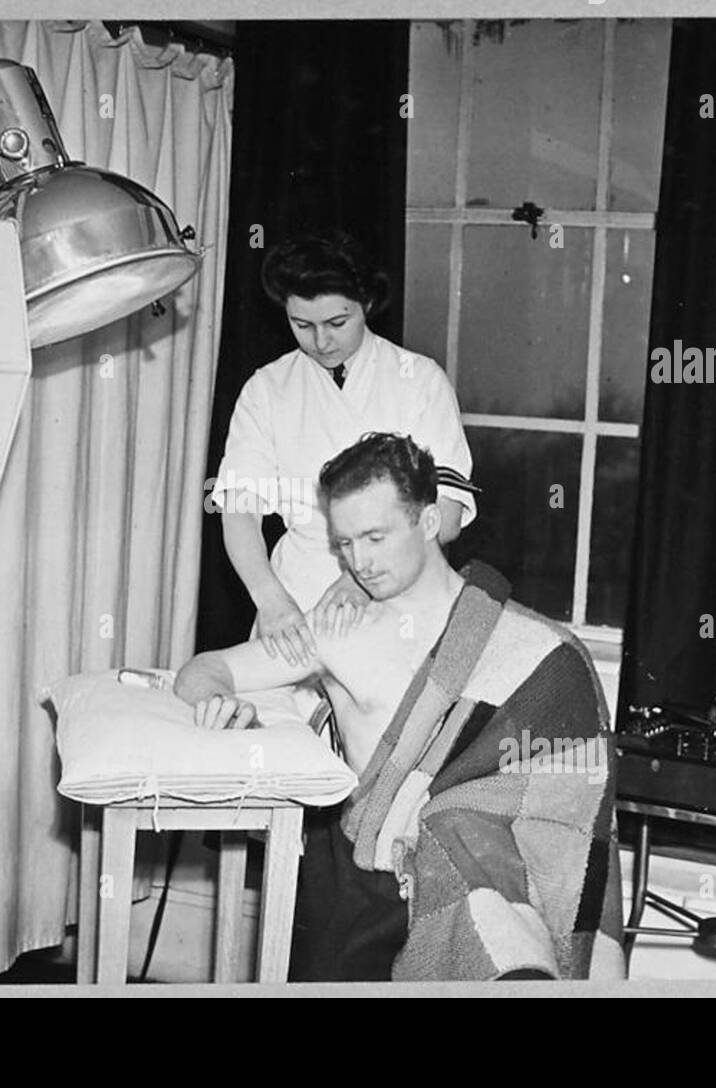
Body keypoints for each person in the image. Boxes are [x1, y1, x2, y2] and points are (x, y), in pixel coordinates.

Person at [177, 433, 626, 982]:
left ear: (430, 521)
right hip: (365, 882)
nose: (358, 562)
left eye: (375, 537)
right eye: (343, 544)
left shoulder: (519, 646)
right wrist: (217, 705)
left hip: (480, 876)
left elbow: (566, 802)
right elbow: (206, 669)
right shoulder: (337, 633)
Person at [210, 230, 477, 669]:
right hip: (295, 600)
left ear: (367, 306)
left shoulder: (420, 380)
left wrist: (362, 578)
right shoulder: (267, 389)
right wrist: (270, 598)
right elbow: (239, 511)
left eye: (337, 323)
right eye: (302, 325)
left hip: (398, 593)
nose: (321, 341)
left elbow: (445, 515)